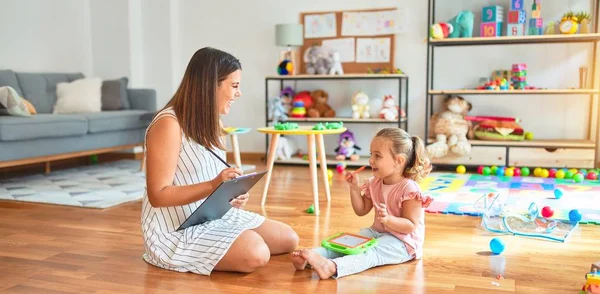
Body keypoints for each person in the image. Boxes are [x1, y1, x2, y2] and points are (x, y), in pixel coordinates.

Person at [142, 47, 299, 275]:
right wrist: (213, 186)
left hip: (210, 215)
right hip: (175, 229)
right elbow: (157, 195)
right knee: (257, 252)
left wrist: (231, 195)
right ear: (210, 85)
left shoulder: (211, 121)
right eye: (234, 86)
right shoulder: (168, 124)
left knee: (288, 239)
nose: (239, 93)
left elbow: (210, 177)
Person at [291, 127, 433, 279]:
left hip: (403, 242)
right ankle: (311, 257)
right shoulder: (375, 182)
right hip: (378, 232)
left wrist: (389, 220)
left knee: (369, 253)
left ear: (398, 161)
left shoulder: (410, 189)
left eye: (377, 156)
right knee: (348, 243)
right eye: (371, 154)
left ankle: (332, 267)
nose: (371, 160)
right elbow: (361, 210)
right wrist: (354, 189)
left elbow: (411, 225)